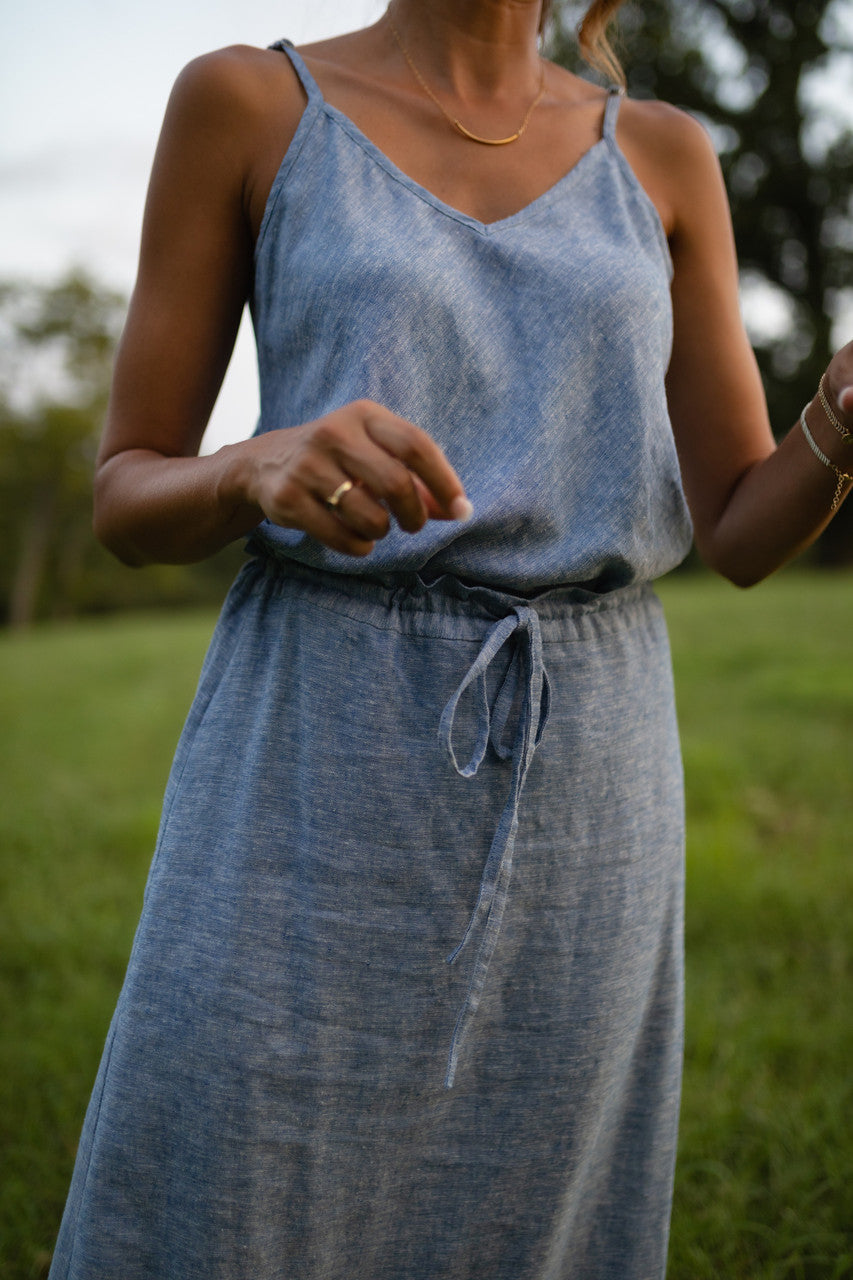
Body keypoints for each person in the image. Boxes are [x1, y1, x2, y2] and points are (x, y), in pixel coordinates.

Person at [49, 1, 853, 1277]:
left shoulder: (662, 154)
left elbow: (741, 526)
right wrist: (254, 463)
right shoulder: (251, 107)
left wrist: (837, 420)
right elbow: (124, 492)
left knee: (541, 1194)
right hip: (317, 757)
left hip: (592, 773)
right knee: (233, 1175)